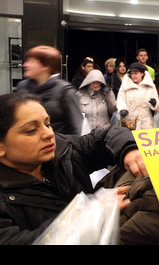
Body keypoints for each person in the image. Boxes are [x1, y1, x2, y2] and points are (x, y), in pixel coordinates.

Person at [0, 93, 147, 244]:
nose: (48, 134)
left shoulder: (62, 150)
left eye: (48, 124)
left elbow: (104, 138)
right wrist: (88, 215)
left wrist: (129, 150)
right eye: (31, 130)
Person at [17, 45, 83, 135]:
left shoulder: (65, 91)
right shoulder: (22, 87)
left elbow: (76, 127)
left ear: (45, 66)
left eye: (31, 61)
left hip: (56, 145)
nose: (25, 65)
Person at [117, 62, 159, 130]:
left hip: (146, 123)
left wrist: (154, 103)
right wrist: (122, 109)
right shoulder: (125, 85)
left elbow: (157, 105)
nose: (133, 75)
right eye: (132, 73)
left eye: (136, 73)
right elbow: (120, 99)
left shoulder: (149, 86)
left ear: (142, 73)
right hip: (129, 123)